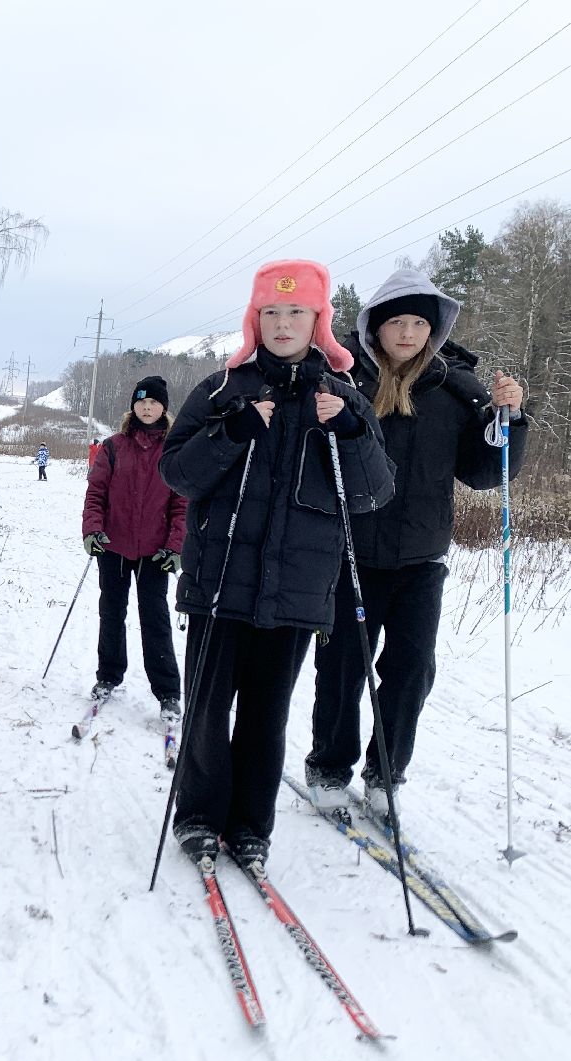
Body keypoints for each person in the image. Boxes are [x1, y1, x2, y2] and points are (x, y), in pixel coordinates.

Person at [159, 259, 394, 869]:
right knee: (208, 713)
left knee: (268, 715)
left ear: (319, 321)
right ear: (254, 319)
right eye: (272, 312)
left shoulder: (342, 399)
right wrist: (229, 434)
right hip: (217, 586)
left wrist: (350, 433)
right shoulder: (222, 389)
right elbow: (176, 473)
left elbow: (375, 493)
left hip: (296, 593)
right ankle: (198, 816)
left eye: (297, 312)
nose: (284, 323)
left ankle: (250, 825)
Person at [306, 269, 527, 819]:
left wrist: (511, 417)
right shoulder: (345, 382)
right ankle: (329, 766)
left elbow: (485, 473)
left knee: (411, 672)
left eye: (418, 323)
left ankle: (386, 773)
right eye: (396, 323)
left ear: (433, 330)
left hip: (421, 559)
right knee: (341, 669)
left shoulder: (459, 390)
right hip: (350, 556)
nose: (407, 333)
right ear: (375, 330)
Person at [82, 376, 186, 739]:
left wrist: (175, 547)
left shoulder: (174, 449)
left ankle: (168, 692)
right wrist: (92, 530)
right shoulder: (113, 447)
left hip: (154, 554)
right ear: (133, 406)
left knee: (154, 619)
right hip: (112, 547)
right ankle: (108, 675)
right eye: (141, 402)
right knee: (111, 612)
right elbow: (95, 493)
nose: (147, 407)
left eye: (154, 402)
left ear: (163, 407)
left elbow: (182, 503)